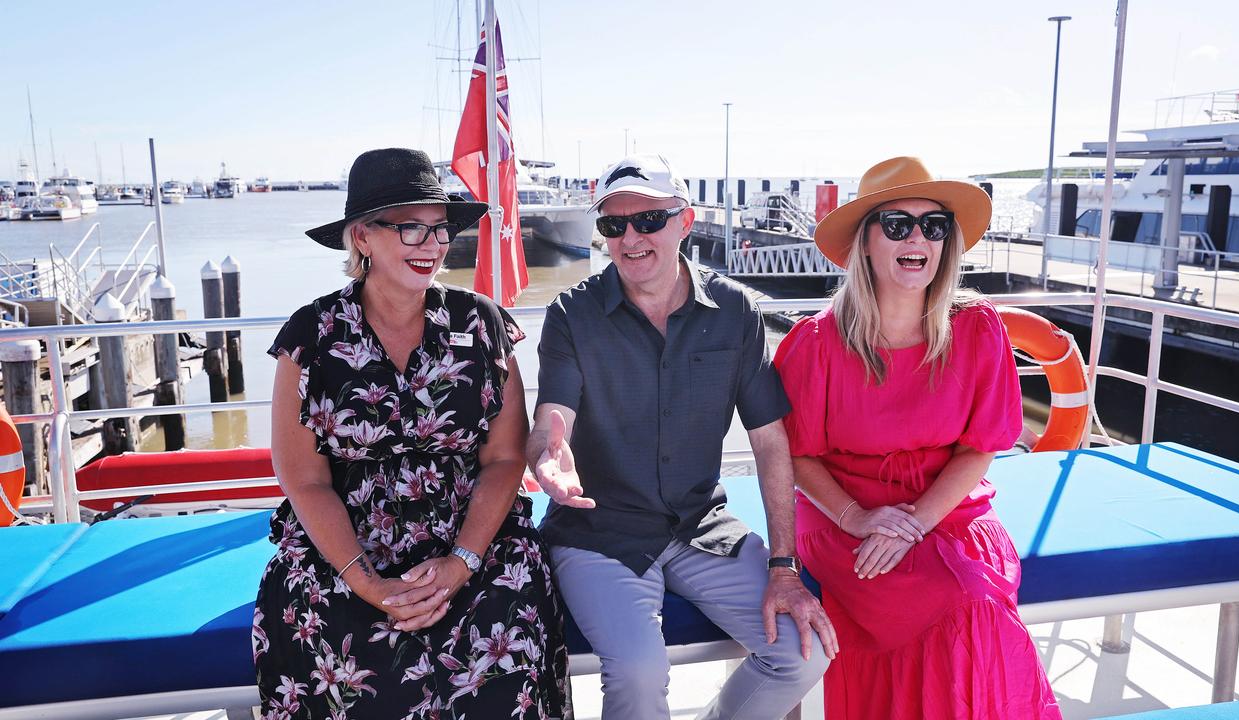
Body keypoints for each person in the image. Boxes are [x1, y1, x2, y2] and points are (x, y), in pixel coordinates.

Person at [253, 148, 572, 719]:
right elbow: (303, 479)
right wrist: (370, 584)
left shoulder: (480, 323)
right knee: (344, 650)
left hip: (472, 533)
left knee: (506, 635)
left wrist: (461, 563)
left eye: (439, 229)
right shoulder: (313, 333)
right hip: (347, 543)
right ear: (362, 238)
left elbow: (503, 459)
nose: (432, 245)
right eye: (410, 228)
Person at [526, 154, 833, 719]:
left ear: (686, 222)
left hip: (699, 525)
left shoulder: (736, 310)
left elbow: (769, 442)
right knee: (641, 675)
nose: (630, 238)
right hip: (599, 530)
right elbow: (553, 413)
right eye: (613, 225)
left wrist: (783, 568)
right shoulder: (573, 312)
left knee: (801, 652)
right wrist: (550, 454)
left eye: (649, 221)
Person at [774, 156, 1062, 719]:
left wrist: (918, 523)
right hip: (843, 512)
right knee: (952, 602)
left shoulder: (977, 329)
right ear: (866, 243)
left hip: (945, 506)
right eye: (897, 224)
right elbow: (797, 455)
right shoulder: (817, 342)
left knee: (974, 601)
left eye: (933, 226)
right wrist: (858, 517)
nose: (918, 238)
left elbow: (980, 447)